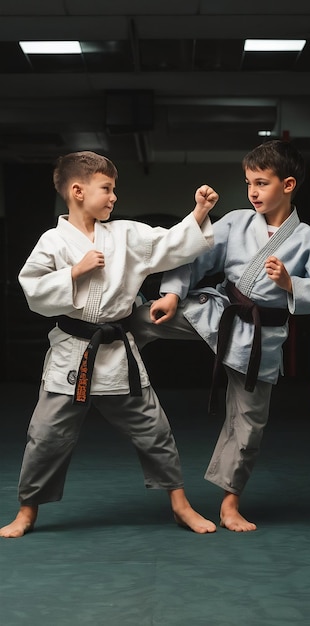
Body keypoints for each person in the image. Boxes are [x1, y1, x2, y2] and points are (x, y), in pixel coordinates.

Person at [0, 150, 219, 539]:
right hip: (73, 354)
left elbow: (168, 245)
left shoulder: (125, 234)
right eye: (107, 188)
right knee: (46, 436)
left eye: (114, 189)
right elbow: (32, 289)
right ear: (78, 190)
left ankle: (180, 504)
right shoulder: (53, 241)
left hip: (117, 352)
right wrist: (75, 271)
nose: (114, 196)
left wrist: (199, 212)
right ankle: (27, 510)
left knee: (155, 430)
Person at [130, 140, 310, 533]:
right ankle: (113, 347)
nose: (253, 192)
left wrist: (291, 283)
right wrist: (173, 294)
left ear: (289, 184)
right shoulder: (236, 221)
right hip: (219, 314)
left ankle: (230, 504)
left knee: (248, 423)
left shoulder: (309, 239)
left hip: (262, 336)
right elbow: (194, 256)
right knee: (144, 318)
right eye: (248, 184)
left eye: (261, 183)